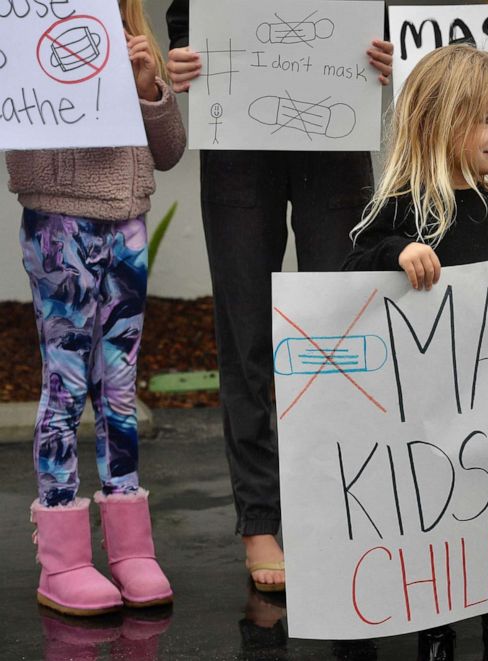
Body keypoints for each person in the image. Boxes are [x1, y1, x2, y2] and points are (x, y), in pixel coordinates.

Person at [164, 0, 394, 592]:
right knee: (246, 337)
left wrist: (397, 58)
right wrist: (184, 61)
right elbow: (185, 22)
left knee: (342, 336)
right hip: (238, 145)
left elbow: (390, 32)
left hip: (338, 143)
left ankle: (341, 510)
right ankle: (260, 521)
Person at [342, 43, 488, 661]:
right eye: (487, 119)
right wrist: (398, 253)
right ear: (439, 119)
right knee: (438, 512)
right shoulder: (402, 206)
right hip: (427, 403)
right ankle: (434, 629)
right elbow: (357, 265)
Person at [7, 0, 185, 616]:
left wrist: (149, 89)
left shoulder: (134, 30)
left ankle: (130, 545)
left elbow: (169, 151)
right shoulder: (27, 23)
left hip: (128, 223)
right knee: (66, 381)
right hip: (60, 222)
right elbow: (21, 131)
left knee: (118, 385)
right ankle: (62, 558)